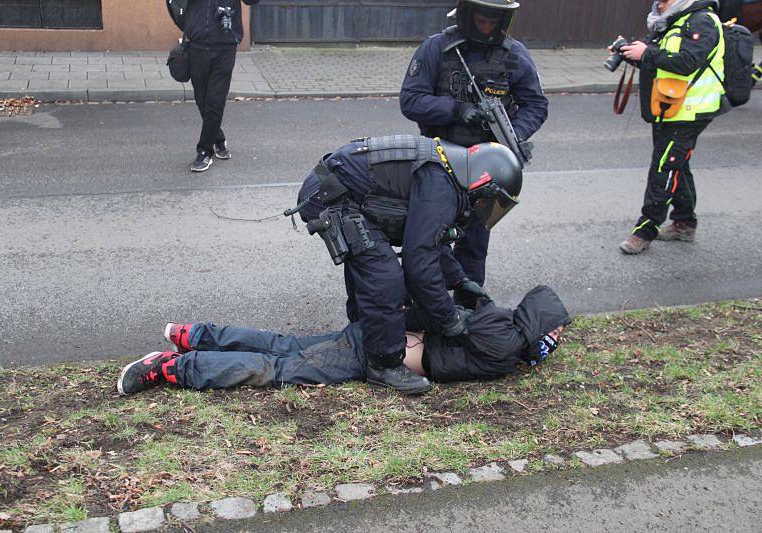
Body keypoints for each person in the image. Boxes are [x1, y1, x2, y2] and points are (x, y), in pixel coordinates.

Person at [287, 134, 522, 395]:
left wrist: (459, 280)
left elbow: (432, 241)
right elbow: (419, 261)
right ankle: (383, 365)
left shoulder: (448, 173)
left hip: (339, 189)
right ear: (483, 183)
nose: (484, 207)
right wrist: (449, 318)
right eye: (488, 200)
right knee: (384, 276)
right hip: (329, 193)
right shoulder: (441, 187)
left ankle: (362, 332)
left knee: (374, 261)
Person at [116, 285, 571, 395]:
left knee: (284, 346)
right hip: (376, 352)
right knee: (277, 367)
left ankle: (194, 336)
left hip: (377, 340)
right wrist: (530, 348)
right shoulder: (508, 340)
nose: (554, 340)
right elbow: (485, 348)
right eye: (554, 329)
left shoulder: (500, 324)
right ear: (536, 322)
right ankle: (170, 367)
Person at [399, 0, 548, 300]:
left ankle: (468, 311)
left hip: (487, 169)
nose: (486, 26)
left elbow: (536, 105)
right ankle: (426, 308)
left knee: (474, 244)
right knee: (429, 239)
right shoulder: (437, 48)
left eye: (494, 20)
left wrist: (511, 137)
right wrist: (455, 110)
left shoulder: (514, 55)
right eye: (481, 18)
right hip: (440, 161)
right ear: (466, 14)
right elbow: (411, 100)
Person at [618, 0, 729, 254]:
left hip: (690, 111)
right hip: (670, 107)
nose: (658, 3)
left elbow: (688, 61)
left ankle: (645, 231)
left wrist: (646, 53)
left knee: (664, 167)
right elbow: (664, 64)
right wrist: (630, 53)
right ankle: (684, 223)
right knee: (677, 163)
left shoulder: (702, 20)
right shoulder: (674, 19)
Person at [184, 0, 259, 172]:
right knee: (201, 101)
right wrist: (191, 26)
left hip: (225, 46)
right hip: (197, 45)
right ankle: (218, 139)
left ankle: (204, 151)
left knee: (215, 102)